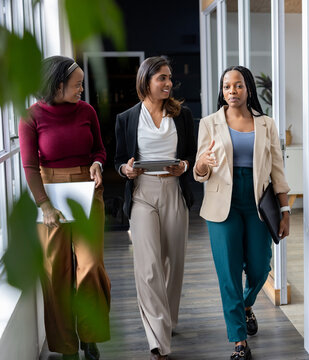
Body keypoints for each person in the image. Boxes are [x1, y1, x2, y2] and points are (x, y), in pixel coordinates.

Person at [194, 65, 290, 360]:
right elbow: (200, 171)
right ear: (221, 92)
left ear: (248, 88)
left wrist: (285, 210)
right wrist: (204, 162)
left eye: (237, 86)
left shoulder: (267, 124)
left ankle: (246, 305)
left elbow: (277, 170)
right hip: (222, 204)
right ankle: (238, 340)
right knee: (229, 274)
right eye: (226, 87)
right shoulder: (209, 123)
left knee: (261, 267)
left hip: (258, 202)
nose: (232, 91)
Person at [19, 56, 110, 360]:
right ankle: (67, 347)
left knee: (91, 267)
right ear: (57, 85)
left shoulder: (86, 111)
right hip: (49, 198)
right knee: (56, 272)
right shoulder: (31, 116)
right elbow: (30, 167)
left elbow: (99, 148)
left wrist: (97, 164)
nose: (82, 89)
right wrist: (44, 205)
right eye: (77, 84)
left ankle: (90, 336)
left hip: (86, 191)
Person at [114, 56, 196, 360]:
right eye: (161, 78)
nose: (168, 83)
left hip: (174, 189)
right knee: (148, 268)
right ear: (146, 80)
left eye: (170, 78)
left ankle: (168, 320)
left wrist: (184, 166)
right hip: (142, 192)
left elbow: (191, 154)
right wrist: (127, 170)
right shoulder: (127, 118)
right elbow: (119, 160)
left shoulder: (182, 115)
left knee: (173, 263)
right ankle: (158, 338)